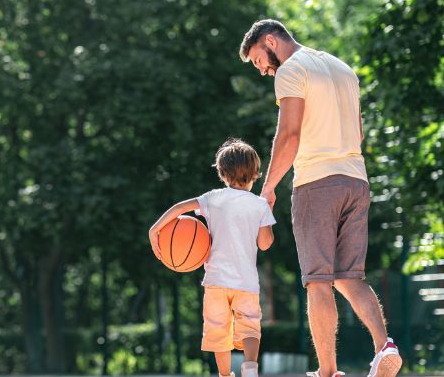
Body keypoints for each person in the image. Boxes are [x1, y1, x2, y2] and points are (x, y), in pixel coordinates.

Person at [238, 19, 403, 377]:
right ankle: (384, 346)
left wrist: (268, 189)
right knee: (350, 277)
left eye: (258, 61)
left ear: (271, 41)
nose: (263, 70)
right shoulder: (342, 68)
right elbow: (357, 130)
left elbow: (290, 135)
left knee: (318, 280)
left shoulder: (291, 71)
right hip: (356, 180)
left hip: (317, 183)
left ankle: (327, 372)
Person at [148, 138, 276, 377]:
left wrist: (155, 228)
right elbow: (266, 244)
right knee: (249, 327)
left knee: (219, 332)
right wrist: (267, 210)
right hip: (246, 282)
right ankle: (250, 367)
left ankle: (225, 374)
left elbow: (179, 208)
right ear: (255, 173)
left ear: (222, 173)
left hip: (216, 280)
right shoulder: (259, 205)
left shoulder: (214, 197)